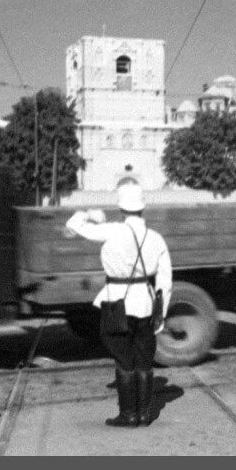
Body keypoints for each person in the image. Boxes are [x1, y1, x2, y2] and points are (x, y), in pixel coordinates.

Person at [65, 179, 172, 428]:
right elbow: (165, 281)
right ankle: (145, 415)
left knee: (123, 360)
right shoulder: (156, 238)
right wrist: (161, 314)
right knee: (144, 360)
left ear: (122, 209)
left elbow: (73, 224)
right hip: (145, 304)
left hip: (117, 304)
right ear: (142, 208)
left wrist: (90, 214)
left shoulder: (111, 230)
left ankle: (128, 415)